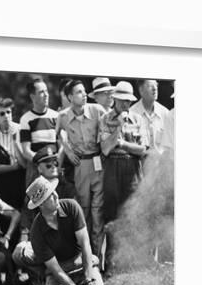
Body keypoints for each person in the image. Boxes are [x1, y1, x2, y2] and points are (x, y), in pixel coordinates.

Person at [99, 81, 147, 269]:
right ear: (115, 99)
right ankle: (110, 262)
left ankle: (131, 262)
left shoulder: (138, 119)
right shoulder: (105, 119)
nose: (126, 105)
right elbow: (105, 149)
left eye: (128, 101)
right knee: (111, 214)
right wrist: (118, 127)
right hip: (111, 168)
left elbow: (142, 149)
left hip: (132, 168)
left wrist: (123, 144)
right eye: (122, 101)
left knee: (132, 212)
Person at [56, 80, 105, 259]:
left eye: (84, 91)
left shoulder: (97, 110)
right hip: (80, 166)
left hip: (98, 163)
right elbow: (58, 137)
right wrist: (68, 151)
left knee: (97, 211)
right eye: (79, 92)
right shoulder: (62, 116)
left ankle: (99, 259)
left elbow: (109, 131)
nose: (84, 95)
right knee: (83, 212)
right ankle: (86, 258)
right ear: (69, 97)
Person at [19, 77, 59, 238]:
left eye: (46, 91)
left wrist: (54, 163)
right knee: (33, 207)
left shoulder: (56, 116)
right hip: (36, 169)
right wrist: (42, 163)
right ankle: (31, 240)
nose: (46, 95)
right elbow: (25, 150)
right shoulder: (26, 119)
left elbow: (62, 143)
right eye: (41, 92)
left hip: (56, 167)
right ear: (32, 96)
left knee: (56, 203)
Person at [0, 98, 26, 212]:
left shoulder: (20, 129)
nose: (6, 116)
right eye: (2, 113)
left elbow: (24, 164)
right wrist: (14, 167)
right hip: (2, 183)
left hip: (21, 181)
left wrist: (14, 141)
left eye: (9, 112)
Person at [130, 79, 170, 175]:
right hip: (139, 167)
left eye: (156, 85)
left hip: (161, 166)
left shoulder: (165, 113)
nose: (155, 89)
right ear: (141, 90)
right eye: (150, 86)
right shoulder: (132, 113)